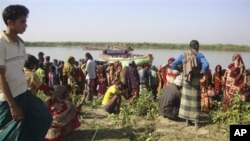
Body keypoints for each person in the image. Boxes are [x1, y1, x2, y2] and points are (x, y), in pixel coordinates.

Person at [0, 5, 52, 141]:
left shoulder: (20, 43)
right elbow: (1, 77)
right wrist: (12, 105)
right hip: (8, 98)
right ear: (10, 22)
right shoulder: (1, 43)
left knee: (43, 117)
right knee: (11, 125)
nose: (26, 25)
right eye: (22, 21)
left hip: (23, 93)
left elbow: (19, 70)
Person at [172, 40, 209, 126]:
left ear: (190, 46)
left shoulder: (183, 54)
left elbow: (173, 64)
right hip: (195, 80)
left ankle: (187, 122)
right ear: (197, 46)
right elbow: (206, 65)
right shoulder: (199, 55)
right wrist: (202, 72)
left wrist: (181, 70)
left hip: (186, 80)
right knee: (195, 101)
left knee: (186, 101)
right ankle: (196, 122)